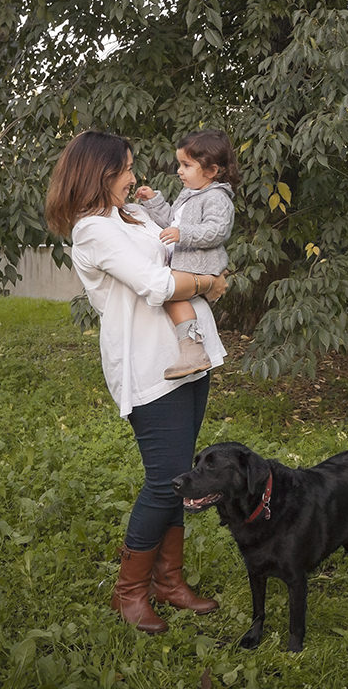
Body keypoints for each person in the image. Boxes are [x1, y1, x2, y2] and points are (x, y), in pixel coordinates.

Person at [44, 130, 228, 634]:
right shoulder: (92, 231)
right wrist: (210, 283)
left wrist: (196, 271)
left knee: (179, 478)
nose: (134, 175)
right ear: (102, 173)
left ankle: (169, 583)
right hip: (149, 364)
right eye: (126, 168)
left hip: (191, 355)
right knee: (165, 482)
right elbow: (156, 284)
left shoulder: (136, 215)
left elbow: (178, 255)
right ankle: (129, 593)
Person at [134, 129, 239, 380]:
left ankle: (192, 348)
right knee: (170, 291)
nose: (179, 171)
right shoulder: (191, 193)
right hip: (189, 262)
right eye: (179, 164)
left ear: (212, 171)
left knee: (171, 293)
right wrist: (153, 202)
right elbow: (172, 222)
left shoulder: (217, 197)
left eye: (186, 165)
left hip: (201, 264)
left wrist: (184, 233)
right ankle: (188, 346)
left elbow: (217, 230)